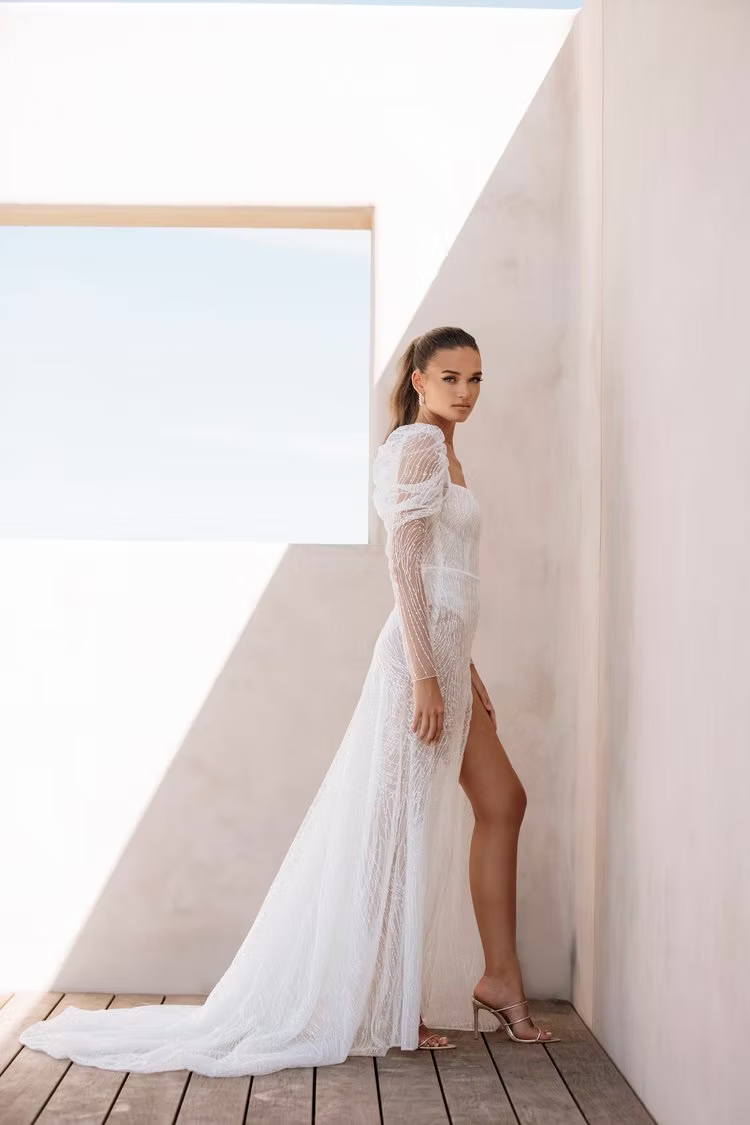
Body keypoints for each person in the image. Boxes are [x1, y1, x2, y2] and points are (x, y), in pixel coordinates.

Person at [18, 325, 558, 1077]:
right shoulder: (419, 446)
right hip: (416, 664)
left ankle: (498, 976)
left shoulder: (446, 451)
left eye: (475, 379)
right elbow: (402, 563)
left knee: (503, 800)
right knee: (396, 830)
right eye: (450, 378)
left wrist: (466, 668)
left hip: (446, 660)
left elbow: (449, 576)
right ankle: (385, 1002)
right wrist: (430, 674)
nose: (465, 393)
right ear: (418, 378)